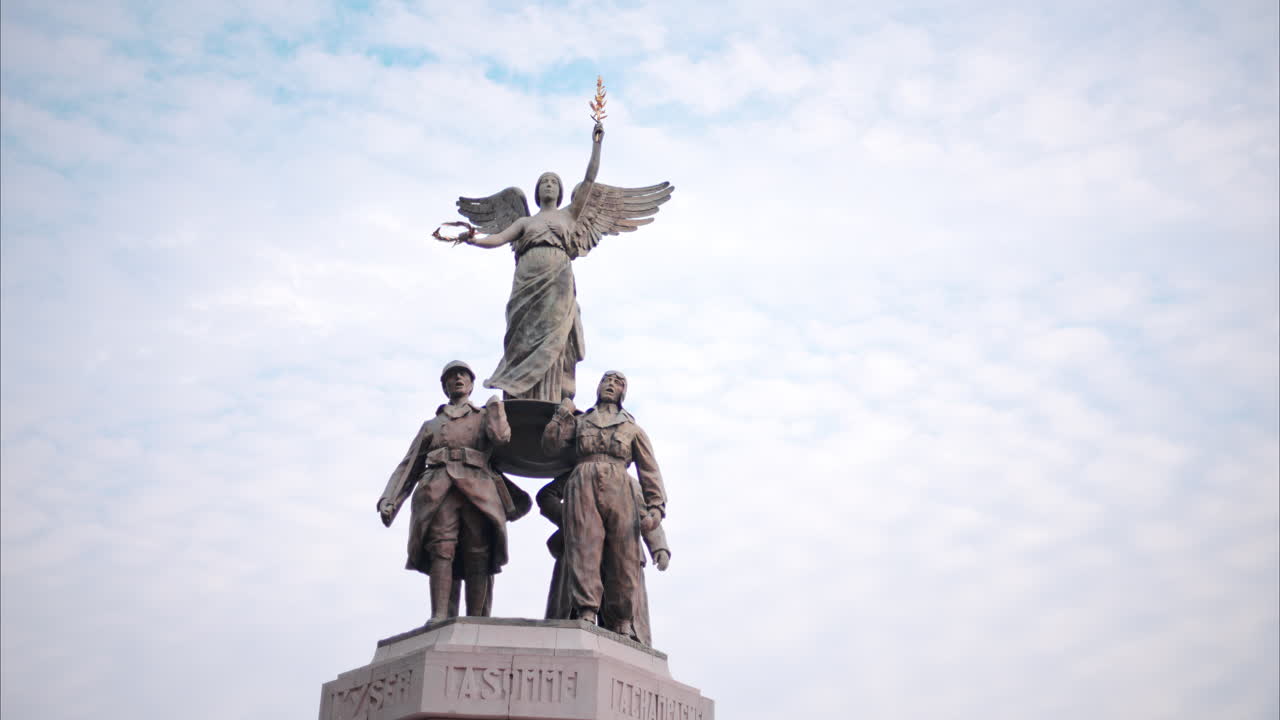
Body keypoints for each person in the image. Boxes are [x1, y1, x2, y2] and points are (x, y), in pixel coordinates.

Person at [448, 122, 673, 402]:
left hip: (558, 280)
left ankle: (551, 395)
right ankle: (519, 395)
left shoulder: (570, 215)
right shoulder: (525, 221)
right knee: (521, 336)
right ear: (537, 191)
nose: (549, 185)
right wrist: (473, 239)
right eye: (544, 182)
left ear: (561, 190)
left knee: (554, 335)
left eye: (553, 182)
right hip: (526, 281)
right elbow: (499, 239)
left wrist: (597, 145)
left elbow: (589, 181)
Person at [377, 361, 531, 622]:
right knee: (441, 548)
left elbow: (501, 438)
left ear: (471, 384)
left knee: (478, 551)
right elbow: (409, 465)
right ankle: (439, 616)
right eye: (451, 376)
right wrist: (390, 499)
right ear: (445, 386)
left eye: (463, 375)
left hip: (478, 490)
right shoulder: (432, 425)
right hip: (438, 490)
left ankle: (476, 619)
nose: (458, 378)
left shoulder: (484, 415)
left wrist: (496, 409)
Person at [540, 371, 667, 640]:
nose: (610, 385)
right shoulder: (580, 420)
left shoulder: (632, 429)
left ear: (623, 393)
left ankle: (622, 620)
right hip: (582, 482)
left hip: (620, 486)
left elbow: (649, 470)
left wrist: (656, 507)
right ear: (597, 387)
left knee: (624, 555)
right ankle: (586, 610)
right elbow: (550, 446)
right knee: (585, 547)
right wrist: (562, 413)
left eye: (617, 382)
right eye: (606, 381)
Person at [538, 472, 671, 646]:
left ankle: (625, 631)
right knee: (575, 615)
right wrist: (573, 516)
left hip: (624, 556)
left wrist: (659, 547)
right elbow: (545, 497)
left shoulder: (629, 484)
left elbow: (647, 517)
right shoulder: (579, 475)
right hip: (581, 549)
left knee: (621, 622)